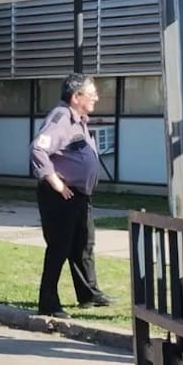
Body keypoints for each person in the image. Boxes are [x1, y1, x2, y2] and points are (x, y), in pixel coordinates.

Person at [30, 72, 113, 318]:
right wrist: (54, 181)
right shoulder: (61, 117)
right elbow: (38, 149)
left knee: (83, 244)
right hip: (61, 197)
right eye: (92, 93)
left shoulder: (79, 120)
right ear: (76, 96)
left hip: (80, 195)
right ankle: (48, 303)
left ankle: (89, 294)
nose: (96, 97)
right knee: (59, 247)